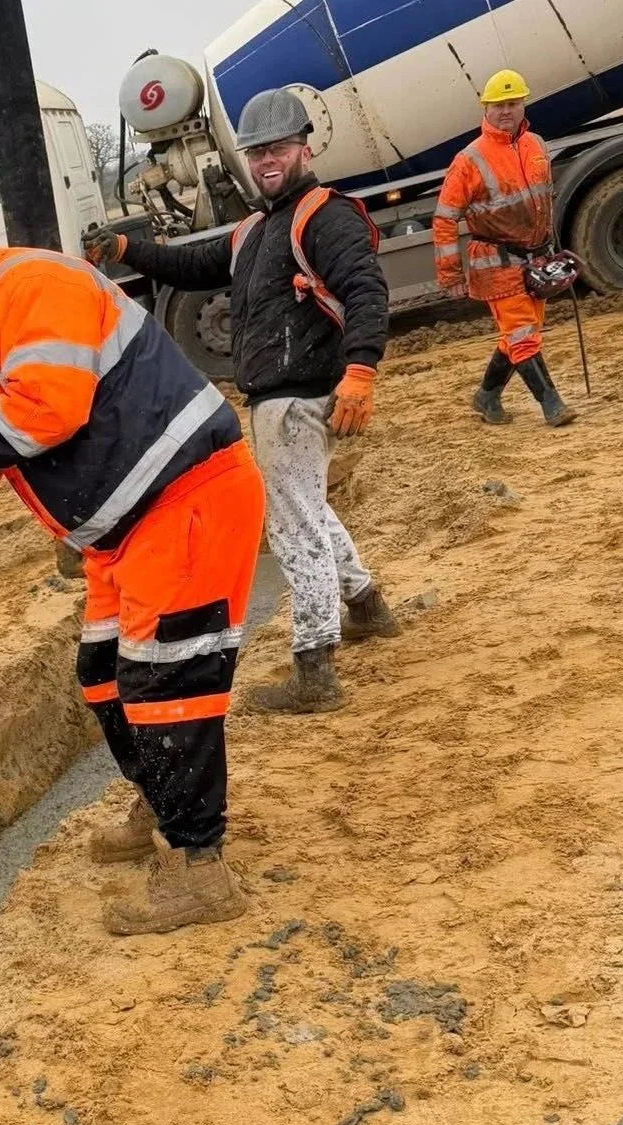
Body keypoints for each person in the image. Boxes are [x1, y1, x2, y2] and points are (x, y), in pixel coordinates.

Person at [0, 195, 265, 936]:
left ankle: (198, 867)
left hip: (184, 498)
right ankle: (160, 803)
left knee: (163, 682)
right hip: (123, 532)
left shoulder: (24, 290)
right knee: (103, 675)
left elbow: (46, 412)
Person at [84, 87, 398, 714]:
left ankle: (315, 671)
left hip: (297, 398)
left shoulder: (324, 215)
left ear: (305, 147)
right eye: (256, 153)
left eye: (278, 148)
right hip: (282, 399)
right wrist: (127, 251)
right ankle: (366, 605)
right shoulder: (259, 227)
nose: (266, 162)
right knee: (307, 506)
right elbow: (198, 263)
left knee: (293, 525)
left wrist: (361, 370)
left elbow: (366, 289)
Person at [434, 68, 576, 427]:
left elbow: (544, 199)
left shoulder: (537, 145)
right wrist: (450, 274)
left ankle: (486, 396)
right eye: (498, 105)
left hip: (538, 257)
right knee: (523, 336)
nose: (506, 111)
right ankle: (552, 405)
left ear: (523, 103)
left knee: (519, 335)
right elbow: (445, 219)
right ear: (485, 108)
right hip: (496, 263)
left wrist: (552, 246)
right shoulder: (469, 160)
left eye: (512, 103)